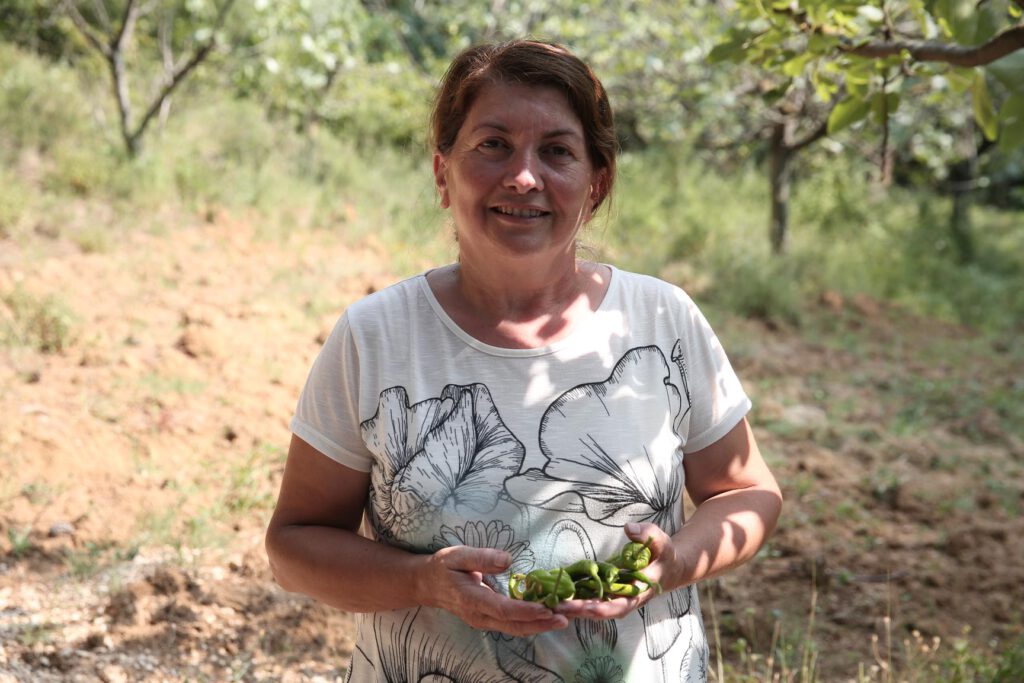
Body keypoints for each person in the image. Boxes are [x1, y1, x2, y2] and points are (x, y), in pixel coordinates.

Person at [265, 38, 782, 682]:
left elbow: (748, 491)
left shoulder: (661, 321)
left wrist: (674, 562)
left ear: (597, 183)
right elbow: (293, 548)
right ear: (441, 170)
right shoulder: (376, 337)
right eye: (493, 145)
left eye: (557, 151)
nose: (524, 176)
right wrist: (427, 583)